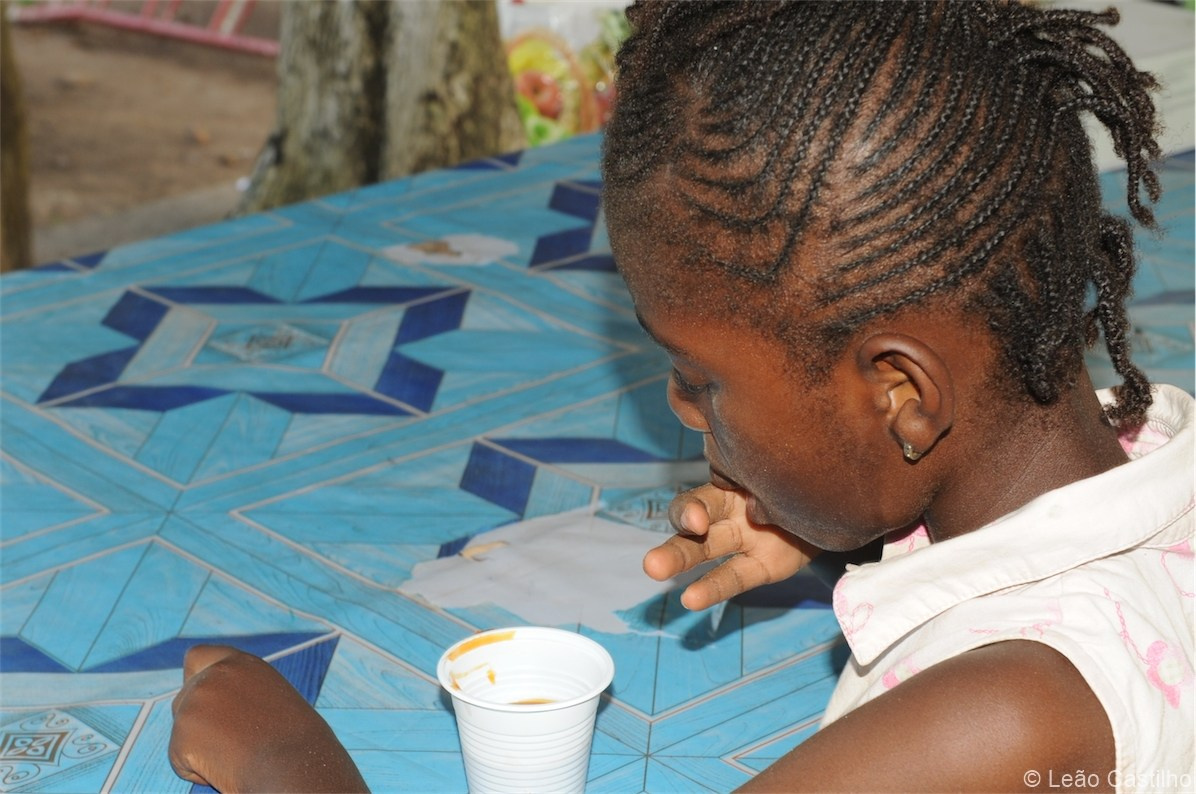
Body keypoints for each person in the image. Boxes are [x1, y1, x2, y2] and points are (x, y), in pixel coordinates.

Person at [168, 2, 1193, 791]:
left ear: (900, 395)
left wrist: (288, 761)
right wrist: (848, 509)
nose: (679, 408)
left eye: (702, 378)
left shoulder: (1009, 710)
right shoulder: (1139, 462)